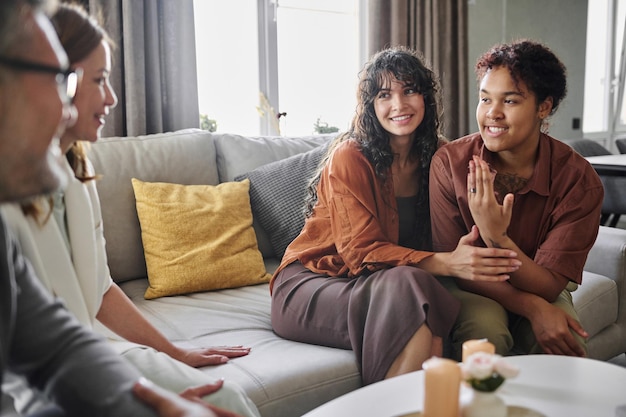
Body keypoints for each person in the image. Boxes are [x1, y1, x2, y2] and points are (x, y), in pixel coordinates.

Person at [0, 3, 259, 417]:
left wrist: (156, 399)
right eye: (60, 81)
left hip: (86, 358)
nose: (68, 109)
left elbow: (57, 347)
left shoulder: (71, 180)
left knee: (223, 400)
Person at [270, 46, 522, 385]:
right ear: (371, 105)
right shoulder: (350, 157)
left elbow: (461, 223)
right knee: (412, 287)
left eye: (409, 90)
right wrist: (446, 262)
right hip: (313, 285)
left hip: (388, 285)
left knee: (417, 292)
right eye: (384, 95)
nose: (399, 105)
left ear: (426, 98)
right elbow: (361, 252)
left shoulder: (438, 156)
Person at [429, 39, 604, 360]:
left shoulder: (578, 180)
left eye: (509, 101)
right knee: (486, 334)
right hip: (469, 286)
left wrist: (497, 237)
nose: (492, 113)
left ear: (544, 107)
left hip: (541, 284)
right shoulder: (449, 163)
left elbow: (550, 285)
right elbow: (454, 264)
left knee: (567, 346)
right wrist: (532, 306)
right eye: (485, 99)